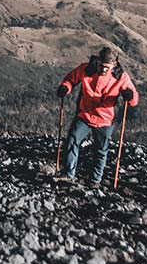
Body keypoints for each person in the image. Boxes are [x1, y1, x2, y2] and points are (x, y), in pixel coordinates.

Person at [56, 47, 138, 187]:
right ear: (98, 61)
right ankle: (68, 175)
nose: (104, 69)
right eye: (101, 65)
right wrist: (65, 87)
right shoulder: (86, 69)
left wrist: (129, 96)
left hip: (105, 119)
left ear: (114, 64)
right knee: (72, 140)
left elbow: (133, 98)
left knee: (100, 150)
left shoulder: (121, 77)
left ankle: (95, 181)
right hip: (85, 114)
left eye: (107, 67)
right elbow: (71, 79)